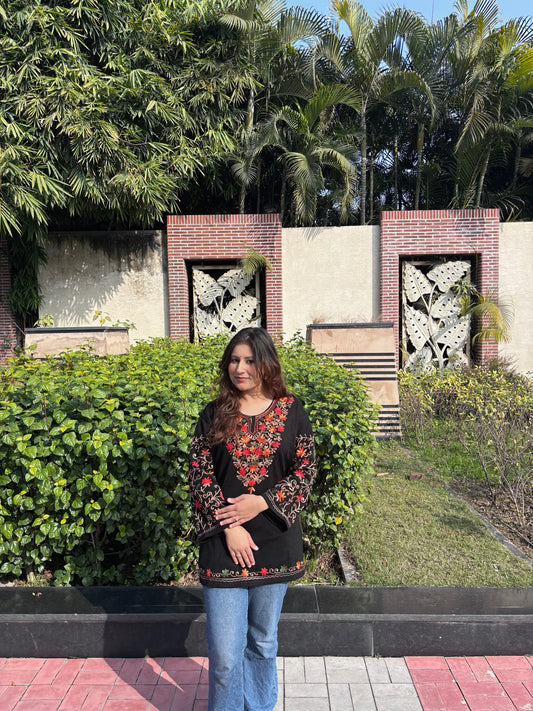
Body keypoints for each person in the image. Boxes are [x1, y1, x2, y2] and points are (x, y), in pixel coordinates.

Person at [188, 326, 316, 711]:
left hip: (274, 543)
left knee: (262, 643)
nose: (239, 368)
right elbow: (199, 474)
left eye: (248, 361)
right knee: (225, 655)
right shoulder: (213, 413)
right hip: (223, 543)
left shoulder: (292, 411)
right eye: (234, 360)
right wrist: (231, 526)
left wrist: (261, 502)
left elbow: (306, 470)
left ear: (266, 364)